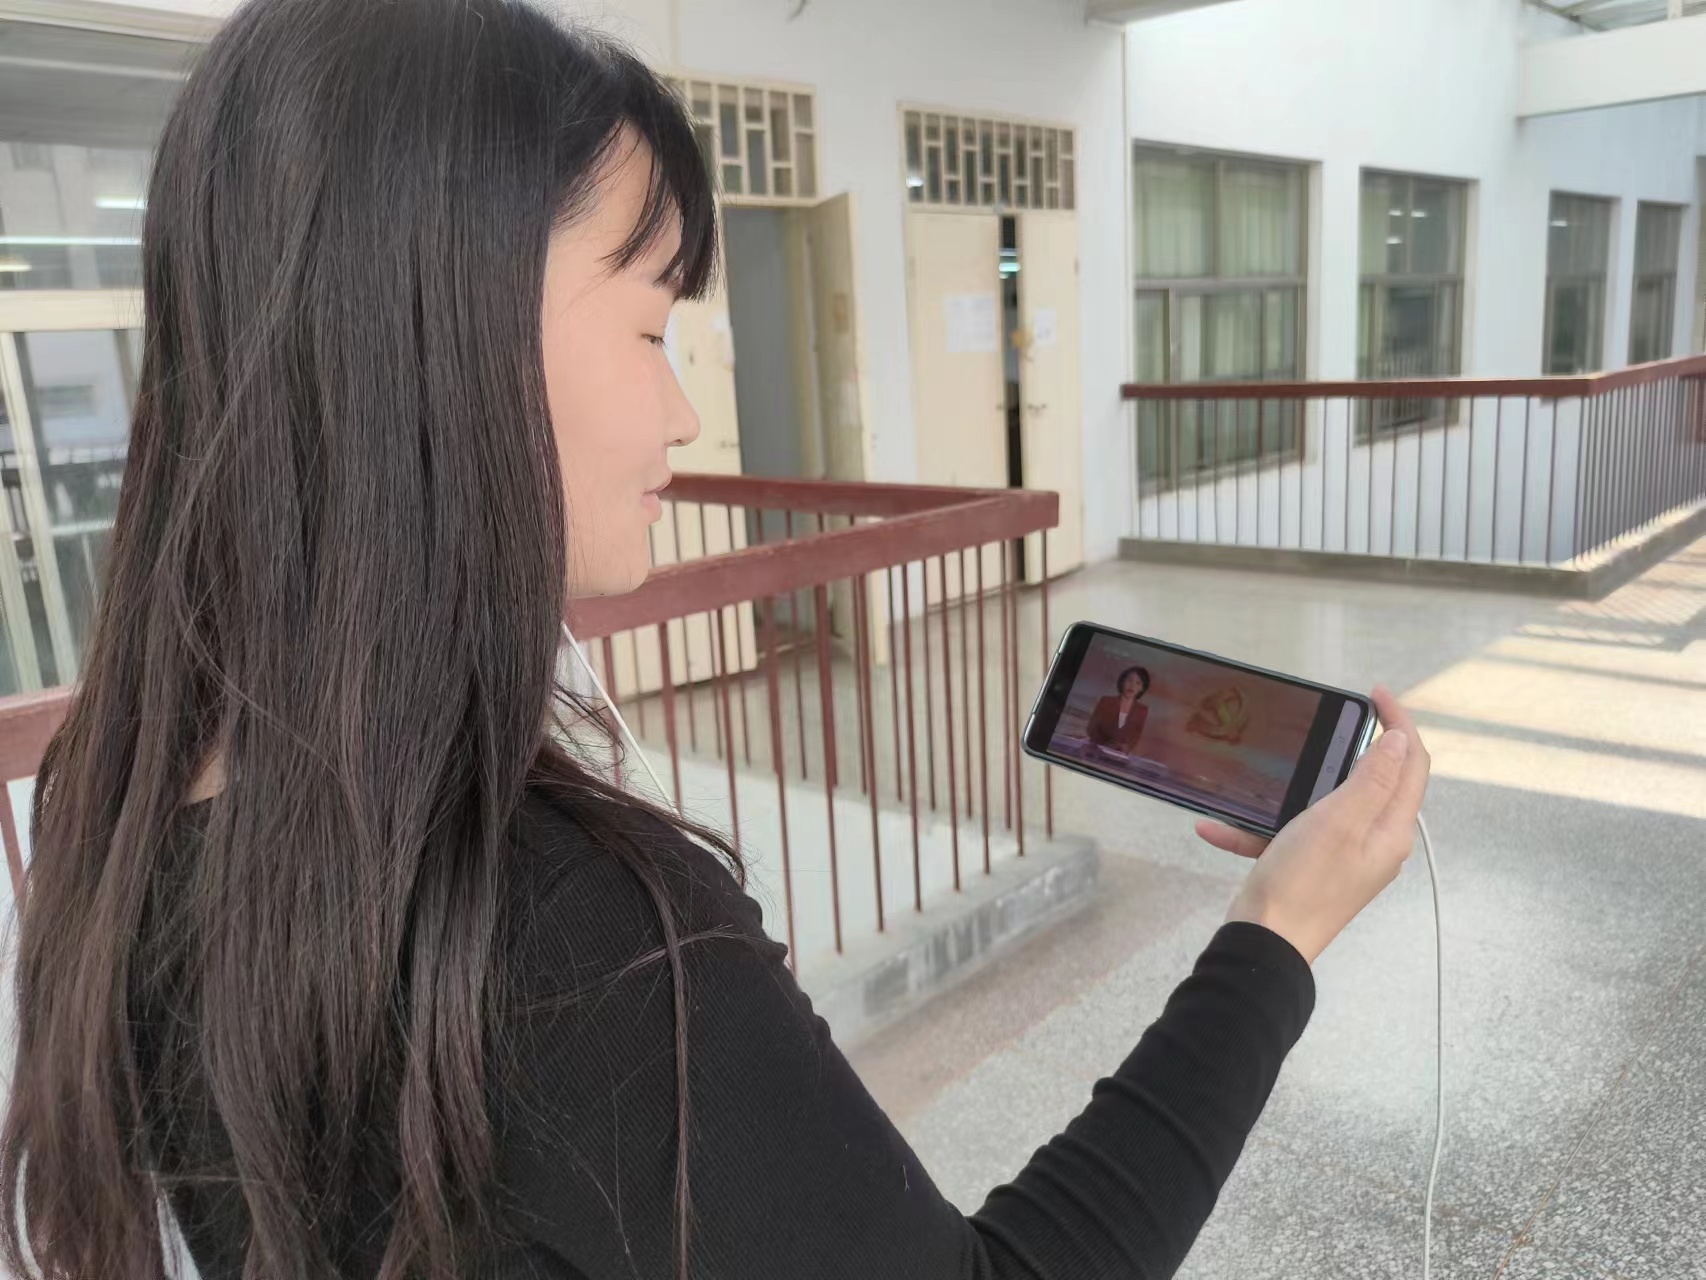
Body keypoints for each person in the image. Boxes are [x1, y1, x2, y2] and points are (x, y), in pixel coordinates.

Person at [0, 2, 1432, 1278]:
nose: (684, 414)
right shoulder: (575, 933)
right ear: (439, 332)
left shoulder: (102, 799)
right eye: (649, 329)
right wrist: (1276, 932)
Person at [1087, 664, 1152, 752]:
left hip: (1119, 754)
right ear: (1122, 682)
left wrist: (1125, 747)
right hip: (1097, 749)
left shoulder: (1142, 710)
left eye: (1138, 683)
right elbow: (1092, 727)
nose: (1132, 685)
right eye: (1129, 680)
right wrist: (1103, 745)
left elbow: (1135, 737)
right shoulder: (1106, 701)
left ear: (1142, 688)